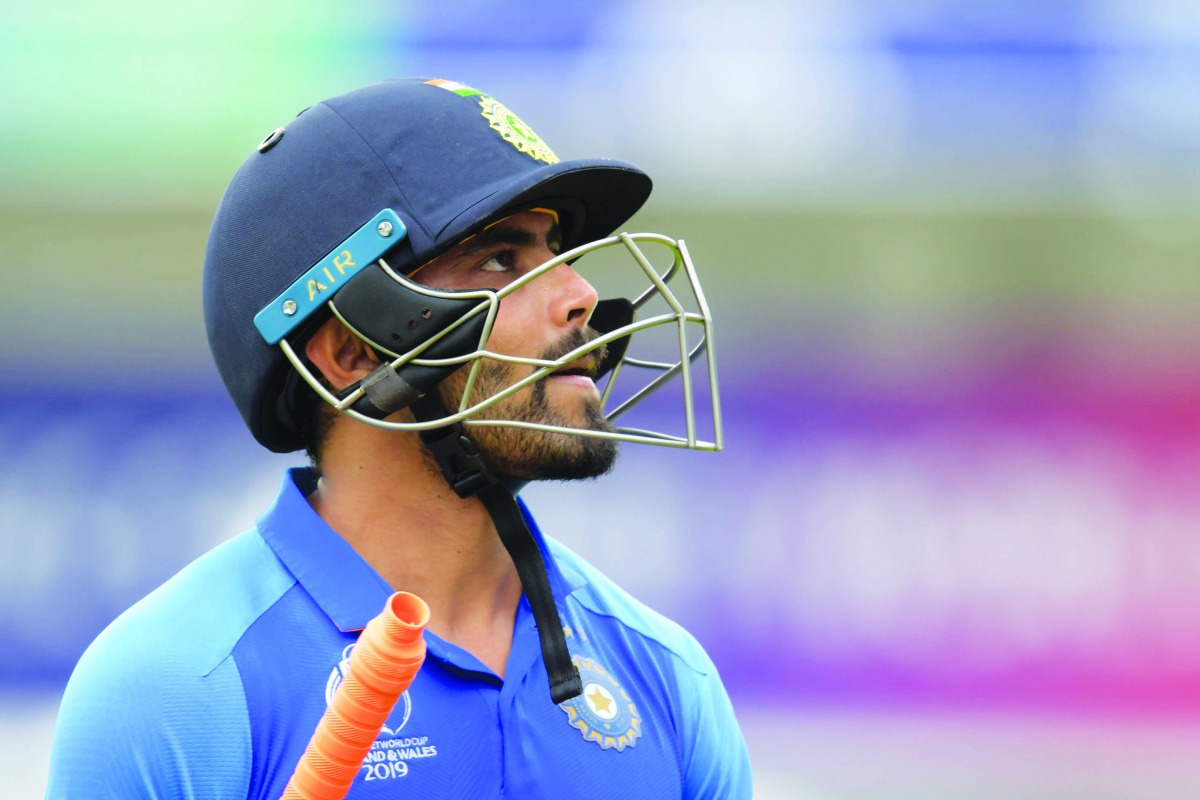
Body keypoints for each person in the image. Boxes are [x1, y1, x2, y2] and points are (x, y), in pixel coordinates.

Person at [45, 78, 751, 799]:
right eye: (500, 259)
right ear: (353, 352)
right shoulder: (175, 687)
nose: (581, 296)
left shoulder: (665, 673)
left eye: (558, 251)